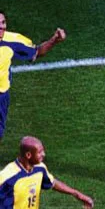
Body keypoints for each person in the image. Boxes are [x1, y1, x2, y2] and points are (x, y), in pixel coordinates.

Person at [0, 11, 67, 140]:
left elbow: (36, 52)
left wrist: (54, 40)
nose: (2, 27)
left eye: (3, 22)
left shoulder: (13, 40)